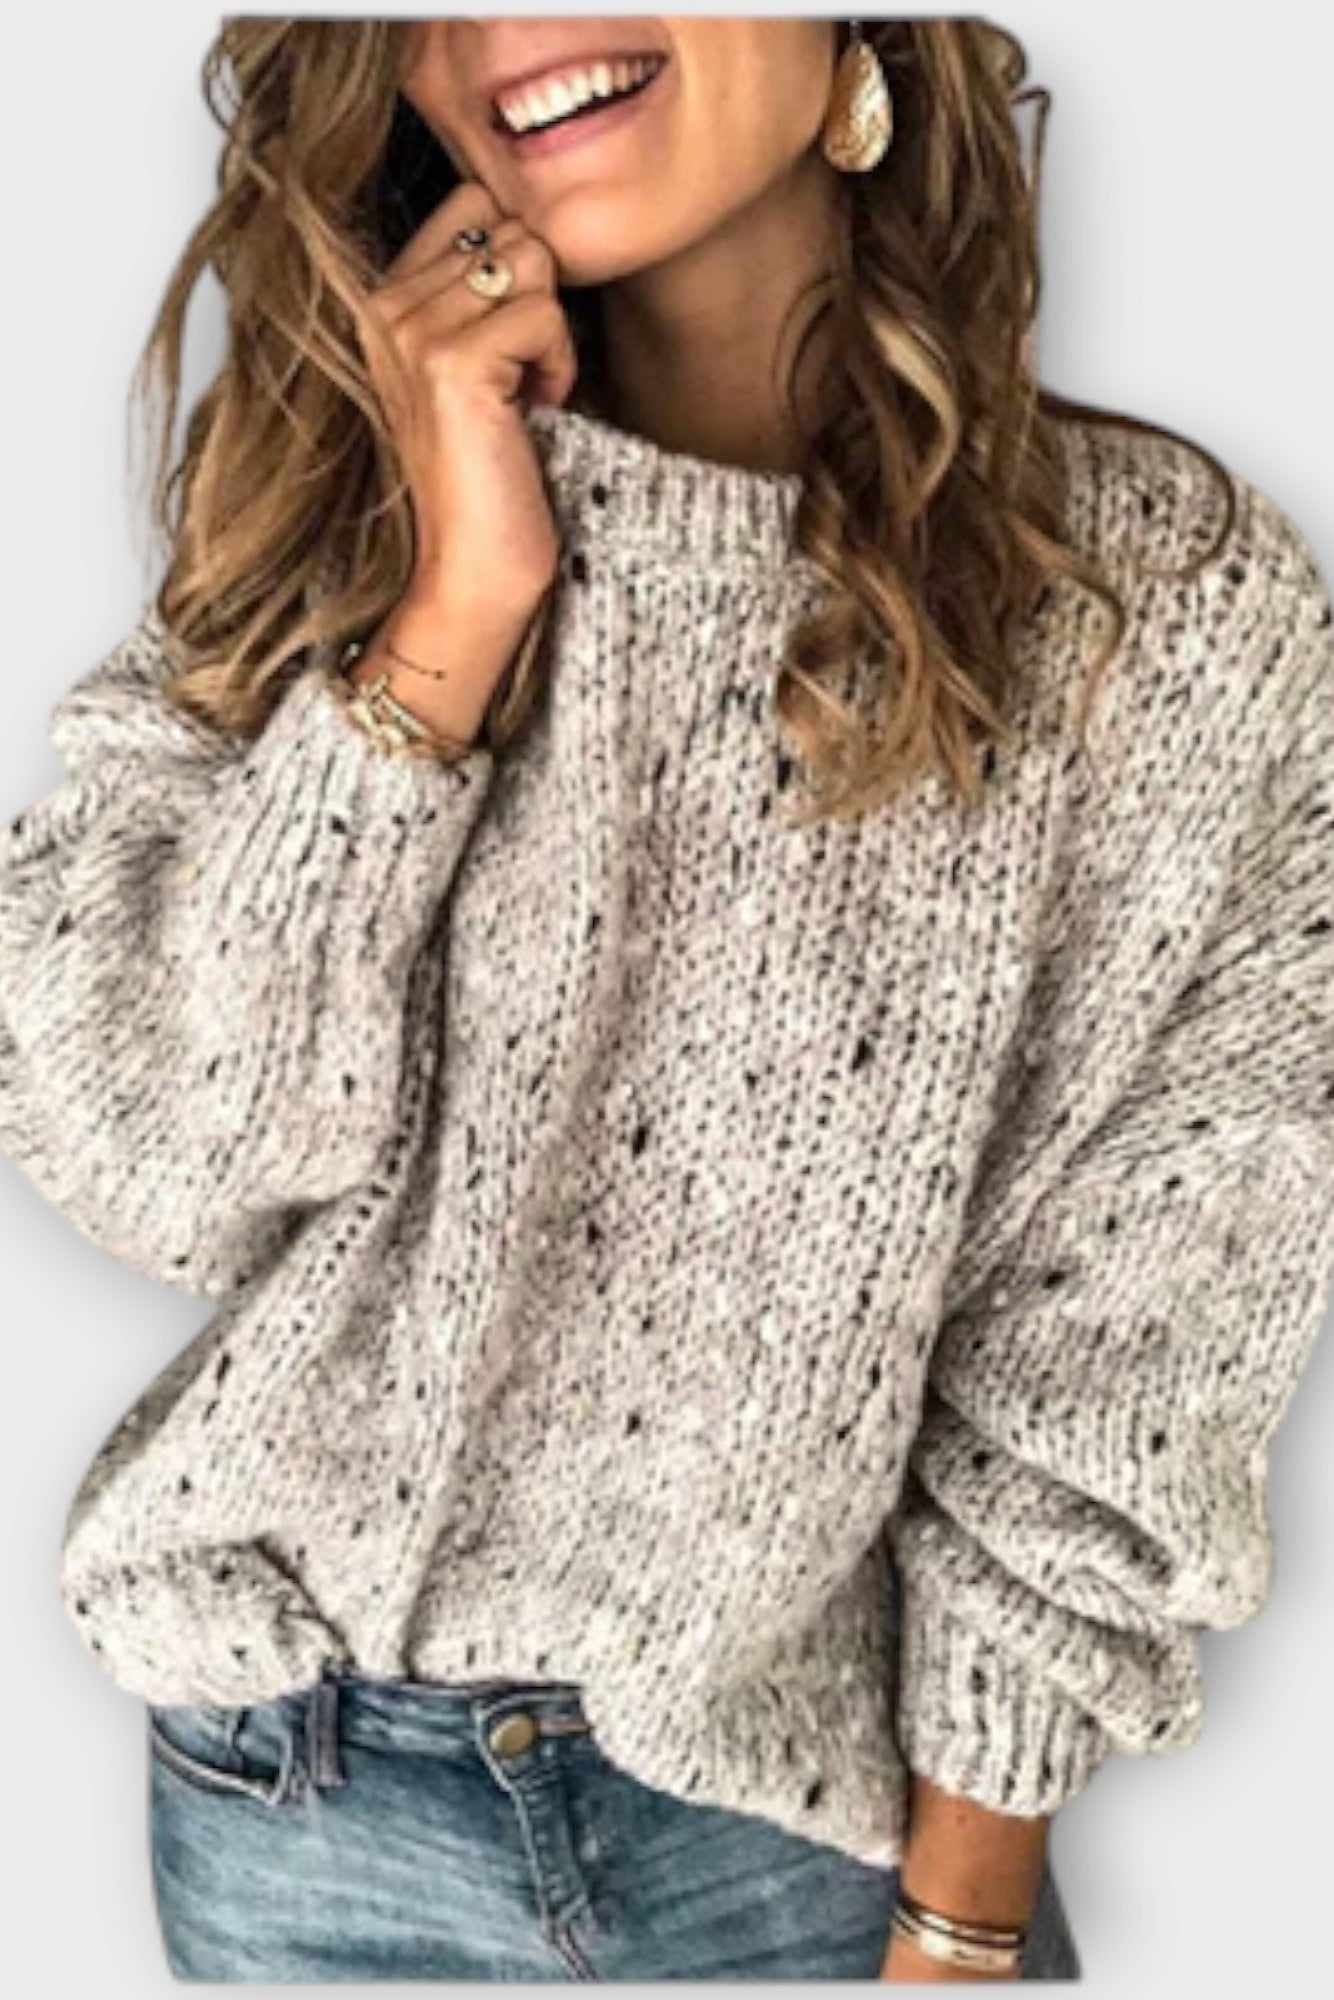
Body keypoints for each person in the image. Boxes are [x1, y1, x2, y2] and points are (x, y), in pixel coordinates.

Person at [1, 12, 1331, 1984]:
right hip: (301, 1812)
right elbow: (154, 1166)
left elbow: (1128, 1349)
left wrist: (959, 1927)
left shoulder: (1159, 612)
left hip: (800, 1851)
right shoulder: (340, 525)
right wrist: (454, 618)